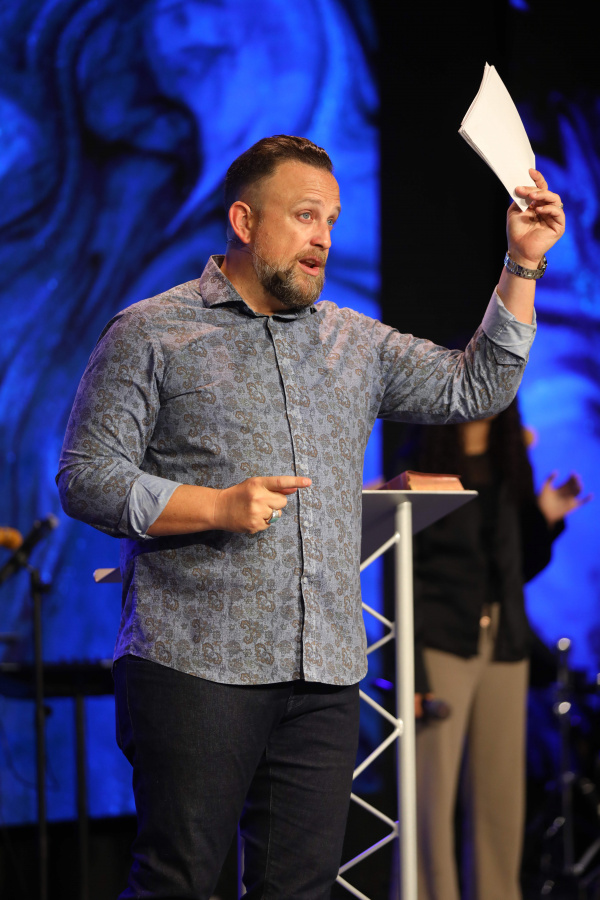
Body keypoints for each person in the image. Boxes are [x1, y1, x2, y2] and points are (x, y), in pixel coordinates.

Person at [56, 135, 564, 899]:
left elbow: (477, 387)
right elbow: (86, 477)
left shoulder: (354, 342)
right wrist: (216, 506)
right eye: (303, 215)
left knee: (300, 890)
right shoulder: (152, 332)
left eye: (331, 219)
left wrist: (522, 263)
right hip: (196, 662)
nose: (322, 236)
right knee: (179, 881)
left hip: (323, 671)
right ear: (244, 221)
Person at [403, 400, 588, 900]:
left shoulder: (510, 465)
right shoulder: (422, 466)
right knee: (429, 795)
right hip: (442, 640)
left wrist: (545, 519)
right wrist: (413, 674)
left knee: (500, 796)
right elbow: (406, 575)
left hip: (505, 642)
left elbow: (516, 568)